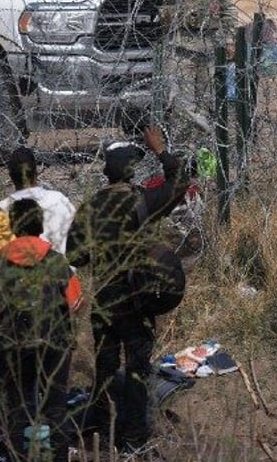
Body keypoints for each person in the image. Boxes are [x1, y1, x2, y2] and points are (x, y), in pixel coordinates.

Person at [66, 124, 189, 455]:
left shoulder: (91, 207)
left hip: (105, 302)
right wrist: (160, 149)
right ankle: (134, 438)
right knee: (137, 369)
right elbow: (181, 182)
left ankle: (103, 434)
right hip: (137, 301)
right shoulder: (141, 201)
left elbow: (75, 255)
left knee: (105, 367)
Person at [0, 198, 75, 459]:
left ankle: (18, 456)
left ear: (14, 224)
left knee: (19, 406)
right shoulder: (56, 261)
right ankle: (58, 456)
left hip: (13, 342)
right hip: (53, 342)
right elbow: (76, 302)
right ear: (40, 223)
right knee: (56, 405)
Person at [149, 0, 239, 144]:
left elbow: (226, 6)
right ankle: (183, 158)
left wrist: (229, 39)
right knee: (181, 104)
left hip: (209, 46)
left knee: (207, 103)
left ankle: (205, 154)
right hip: (180, 48)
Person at [0, 146, 76, 255]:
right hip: (64, 269)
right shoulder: (59, 200)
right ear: (36, 171)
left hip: (17, 270)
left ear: (10, 176)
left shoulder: (0, 210)